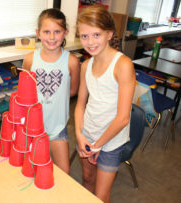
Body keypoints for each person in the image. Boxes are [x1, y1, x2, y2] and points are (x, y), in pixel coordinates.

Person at [74, 4, 135, 203]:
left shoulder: (123, 65)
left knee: (101, 196)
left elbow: (123, 118)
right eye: (84, 36)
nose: (90, 42)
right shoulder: (86, 65)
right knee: (87, 178)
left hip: (110, 142)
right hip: (88, 135)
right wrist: (79, 134)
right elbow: (81, 105)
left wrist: (98, 146)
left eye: (96, 35)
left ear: (109, 34)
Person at [23, 8, 80, 174]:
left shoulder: (72, 61)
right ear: (38, 33)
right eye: (46, 32)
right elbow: (25, 93)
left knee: (64, 174)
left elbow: (72, 91)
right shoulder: (30, 59)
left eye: (57, 31)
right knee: (30, 171)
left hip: (58, 128)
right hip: (32, 126)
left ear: (65, 33)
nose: (52, 37)